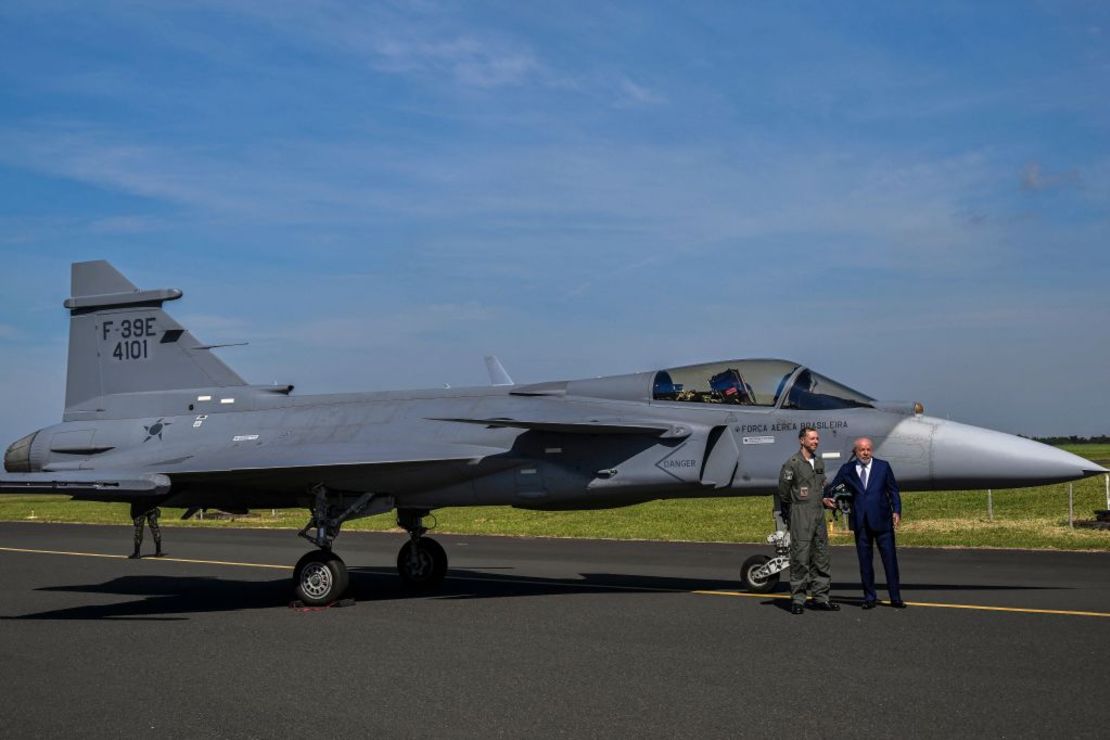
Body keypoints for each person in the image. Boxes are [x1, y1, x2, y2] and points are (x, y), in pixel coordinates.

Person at [825, 437, 905, 609]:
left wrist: (896, 511)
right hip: (861, 522)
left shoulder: (883, 466)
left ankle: (895, 597)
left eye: (868, 449)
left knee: (890, 561)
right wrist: (827, 497)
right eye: (862, 449)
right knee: (865, 562)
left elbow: (893, 490)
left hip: (883, 521)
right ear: (855, 452)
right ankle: (869, 598)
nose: (866, 452)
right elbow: (833, 486)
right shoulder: (847, 469)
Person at [776, 427, 839, 614]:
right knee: (800, 558)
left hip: (819, 514)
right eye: (812, 438)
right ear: (802, 440)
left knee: (821, 556)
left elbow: (818, 487)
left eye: (817, 438)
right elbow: (784, 492)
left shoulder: (818, 461)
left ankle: (821, 598)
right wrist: (794, 510)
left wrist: (823, 500)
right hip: (800, 514)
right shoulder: (792, 463)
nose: (816, 441)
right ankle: (798, 599)